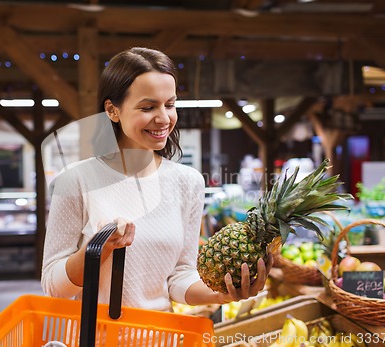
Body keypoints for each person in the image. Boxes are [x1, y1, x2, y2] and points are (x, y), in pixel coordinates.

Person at [41, 47, 272, 312]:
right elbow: (53, 286)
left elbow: (179, 277)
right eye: (148, 107)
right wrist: (97, 248)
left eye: (170, 104)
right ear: (112, 110)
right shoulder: (76, 180)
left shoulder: (189, 182)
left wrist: (223, 295)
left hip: (162, 335)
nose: (163, 118)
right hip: (99, 337)